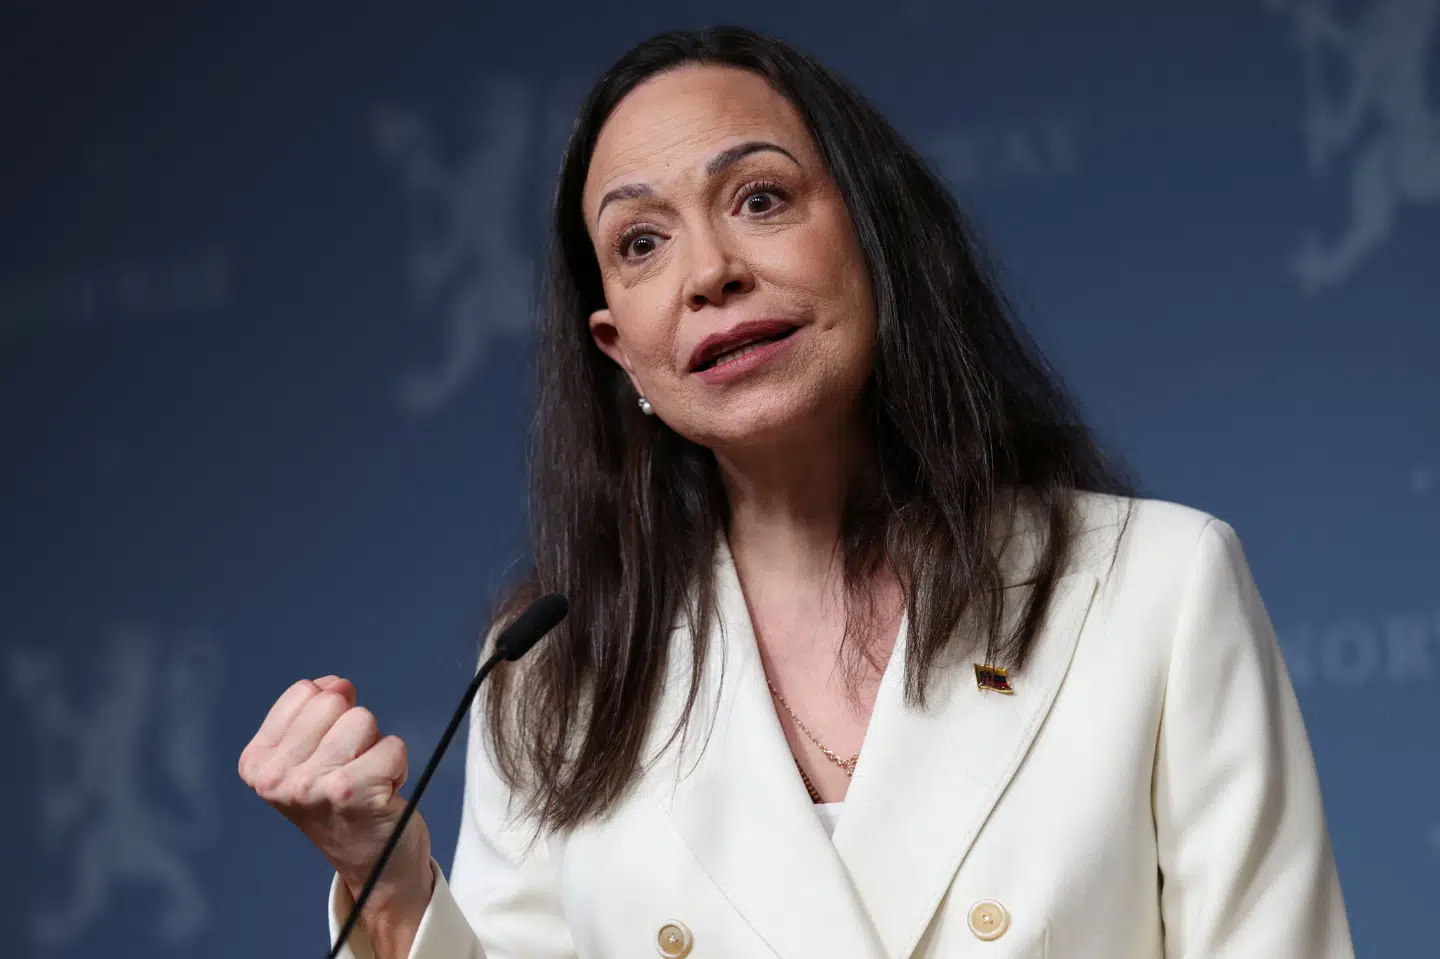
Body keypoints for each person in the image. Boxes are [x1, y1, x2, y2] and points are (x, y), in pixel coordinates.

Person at [238, 26, 1355, 959]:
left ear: (875, 241)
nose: (709, 270)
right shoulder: (549, 686)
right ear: (620, 350)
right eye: (640, 241)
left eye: (761, 198)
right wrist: (389, 896)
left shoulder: (1158, 586)